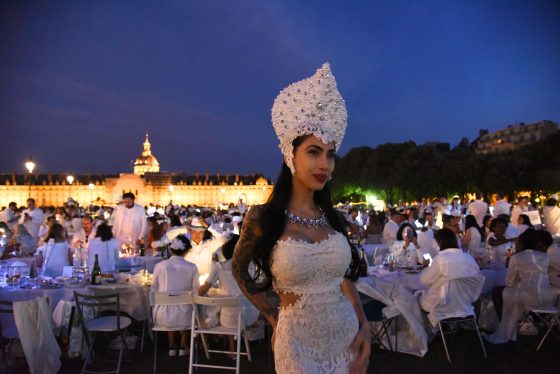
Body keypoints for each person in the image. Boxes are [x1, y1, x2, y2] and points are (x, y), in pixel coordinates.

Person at [232, 63, 370, 373]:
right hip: (296, 345)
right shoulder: (263, 217)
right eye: (313, 151)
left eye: (330, 154)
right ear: (289, 156)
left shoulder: (332, 218)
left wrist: (363, 324)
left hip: (346, 339)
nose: (325, 164)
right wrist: (270, 315)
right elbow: (238, 268)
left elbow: (343, 276)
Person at [485, 229, 557, 344]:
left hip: (531, 298)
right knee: (514, 295)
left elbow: (509, 282)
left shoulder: (517, 257)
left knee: (498, 292)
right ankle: (515, 326)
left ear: (522, 243)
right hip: (550, 298)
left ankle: (505, 327)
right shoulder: (545, 256)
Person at [198, 233, 259, 356]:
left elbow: (203, 290)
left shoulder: (219, 267)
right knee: (232, 303)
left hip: (229, 320)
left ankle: (231, 346)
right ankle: (241, 338)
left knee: (218, 306)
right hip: (251, 315)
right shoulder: (251, 265)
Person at [418, 228, 482, 321]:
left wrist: (426, 268)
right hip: (464, 306)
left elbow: (424, 281)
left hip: (440, 306)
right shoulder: (469, 259)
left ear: (438, 242)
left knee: (415, 297)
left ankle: (423, 333)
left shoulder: (440, 260)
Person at [151, 235, 199, 357]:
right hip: (186, 317)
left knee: (169, 307)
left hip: (162, 317)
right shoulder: (192, 267)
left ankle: (171, 346)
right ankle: (183, 346)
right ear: (187, 251)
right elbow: (196, 291)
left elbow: (153, 290)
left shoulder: (159, 266)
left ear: (171, 250)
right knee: (188, 307)